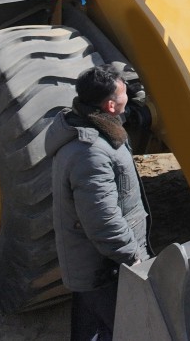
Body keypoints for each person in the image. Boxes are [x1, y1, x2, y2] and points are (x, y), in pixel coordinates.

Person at [46, 65, 151, 341]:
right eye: (123, 93)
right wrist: (133, 256)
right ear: (110, 106)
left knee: (90, 322)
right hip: (104, 267)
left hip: (97, 264)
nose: (128, 95)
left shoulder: (96, 131)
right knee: (121, 327)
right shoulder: (91, 154)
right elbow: (103, 221)